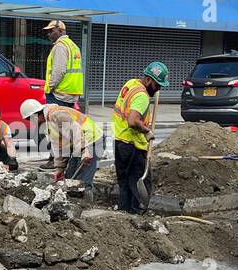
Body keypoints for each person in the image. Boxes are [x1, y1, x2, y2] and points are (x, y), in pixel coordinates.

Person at [111, 61, 168, 213]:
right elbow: (132, 120)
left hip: (120, 142)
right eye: (157, 85)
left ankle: (124, 216)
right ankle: (136, 216)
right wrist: (147, 131)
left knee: (124, 184)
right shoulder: (142, 96)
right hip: (133, 146)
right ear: (148, 79)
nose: (158, 89)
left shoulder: (131, 84)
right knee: (139, 184)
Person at [21, 98, 103, 189]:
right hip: (79, 145)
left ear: (35, 115)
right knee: (69, 178)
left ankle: (85, 201)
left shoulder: (57, 114)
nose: (32, 122)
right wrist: (59, 169)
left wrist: (84, 151)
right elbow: (60, 147)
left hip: (92, 141)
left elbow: (75, 131)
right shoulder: (48, 124)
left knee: (82, 182)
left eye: (30, 119)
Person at [43, 20, 83, 108]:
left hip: (59, 95)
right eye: (48, 32)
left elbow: (59, 71)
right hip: (70, 94)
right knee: (65, 121)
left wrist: (49, 88)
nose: (48, 34)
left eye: (51, 31)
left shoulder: (60, 46)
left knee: (55, 121)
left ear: (60, 31)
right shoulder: (73, 46)